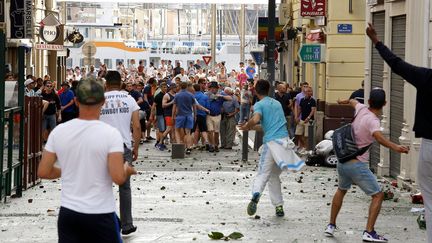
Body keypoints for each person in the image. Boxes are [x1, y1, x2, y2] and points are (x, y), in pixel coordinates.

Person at [37, 78, 137, 243]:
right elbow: (118, 177)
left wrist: (69, 169)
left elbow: (44, 171)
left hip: (69, 213)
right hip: (101, 213)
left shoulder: (59, 132)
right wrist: (127, 169)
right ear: (103, 102)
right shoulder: (111, 134)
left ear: (76, 101)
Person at [366, 22, 432, 243]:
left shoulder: (427, 77)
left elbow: (397, 65)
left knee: (430, 201)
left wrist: (377, 42)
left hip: (430, 147)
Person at [325, 88, 409, 242]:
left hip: (343, 162)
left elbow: (352, 101)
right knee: (378, 195)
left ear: (369, 101)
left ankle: (331, 225)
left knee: (341, 190)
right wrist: (396, 147)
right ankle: (369, 231)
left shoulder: (361, 108)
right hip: (358, 165)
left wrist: (341, 101)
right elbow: (378, 137)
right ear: (385, 104)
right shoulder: (373, 121)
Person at [240, 79, 304, 218]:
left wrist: (247, 125)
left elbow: (256, 119)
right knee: (274, 176)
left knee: (263, 174)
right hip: (284, 143)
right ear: (269, 90)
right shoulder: (277, 104)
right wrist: (250, 127)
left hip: (271, 144)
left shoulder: (259, 104)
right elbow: (266, 125)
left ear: (256, 91)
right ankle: (279, 206)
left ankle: (256, 194)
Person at [99, 71, 141, 235]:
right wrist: (135, 147)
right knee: (125, 187)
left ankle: (104, 223)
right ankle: (127, 224)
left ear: (106, 84)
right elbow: (137, 126)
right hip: (123, 146)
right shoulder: (129, 99)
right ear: (121, 82)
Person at [206, 81, 232, 152]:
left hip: (217, 115)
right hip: (209, 115)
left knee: (216, 132)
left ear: (217, 89)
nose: (213, 89)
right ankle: (211, 145)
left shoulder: (221, 94)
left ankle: (216, 145)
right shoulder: (206, 94)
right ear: (209, 88)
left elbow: (230, 98)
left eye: (215, 88)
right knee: (210, 131)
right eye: (211, 88)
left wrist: (221, 96)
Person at [172, 82, 197, 154]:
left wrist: (173, 115)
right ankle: (188, 147)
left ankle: (179, 145)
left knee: (177, 130)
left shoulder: (177, 95)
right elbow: (194, 106)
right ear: (186, 87)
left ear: (180, 87)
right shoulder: (191, 95)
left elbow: (174, 106)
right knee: (188, 132)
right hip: (189, 115)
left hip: (180, 115)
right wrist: (195, 115)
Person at [295, 86, 316, 151]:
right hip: (302, 119)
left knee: (307, 135)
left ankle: (306, 148)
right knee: (298, 134)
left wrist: (309, 117)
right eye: (309, 91)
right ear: (305, 92)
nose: (310, 92)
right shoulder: (302, 100)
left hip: (309, 120)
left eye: (311, 91)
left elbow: (313, 110)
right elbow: (299, 109)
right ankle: (303, 146)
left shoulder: (312, 100)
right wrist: (297, 117)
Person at [152, 82, 168, 150]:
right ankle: (161, 144)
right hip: (160, 114)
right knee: (161, 129)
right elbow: (153, 106)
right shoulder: (158, 96)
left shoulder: (166, 95)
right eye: (164, 87)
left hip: (165, 114)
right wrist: (152, 115)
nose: (165, 88)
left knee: (163, 129)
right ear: (161, 88)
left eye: (166, 87)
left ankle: (160, 142)